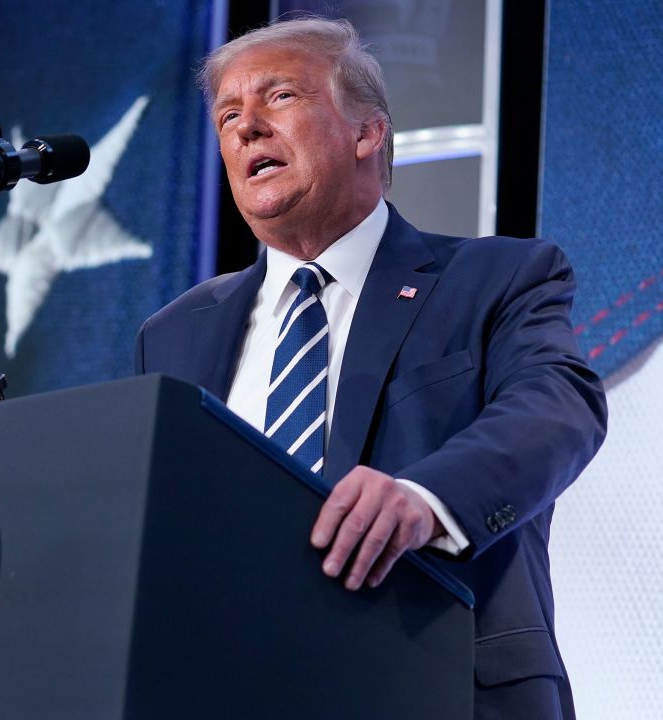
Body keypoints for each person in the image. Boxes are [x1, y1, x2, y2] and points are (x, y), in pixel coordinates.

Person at [135, 16, 606, 718]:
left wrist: (425, 499)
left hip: (441, 685)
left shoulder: (496, 278)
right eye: (228, 114)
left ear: (367, 133)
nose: (247, 127)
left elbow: (557, 407)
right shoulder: (171, 334)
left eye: (280, 97)